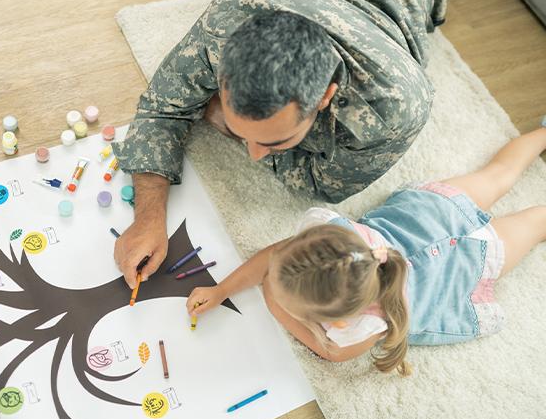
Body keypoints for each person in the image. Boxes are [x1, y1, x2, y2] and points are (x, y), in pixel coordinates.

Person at [113, 0, 447, 288]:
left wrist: (216, 117)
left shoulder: (392, 112)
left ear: (325, 98)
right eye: (239, 129)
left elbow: (322, 185)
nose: (254, 154)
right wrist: (148, 217)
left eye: (274, 141)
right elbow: (162, 106)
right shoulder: (231, 18)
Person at [185, 125, 546, 375]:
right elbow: (272, 258)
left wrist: (273, 301)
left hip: (467, 264)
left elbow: (329, 352)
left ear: (337, 321)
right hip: (432, 211)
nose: (269, 278)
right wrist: (222, 290)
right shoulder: (332, 236)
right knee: (501, 174)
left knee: (534, 219)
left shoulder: (363, 325)